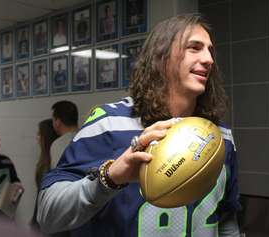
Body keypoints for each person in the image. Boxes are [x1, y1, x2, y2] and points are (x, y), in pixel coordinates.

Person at [37, 14, 240, 236]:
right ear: (162, 56)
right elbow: (48, 215)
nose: (209, 59)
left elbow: (226, 218)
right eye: (194, 47)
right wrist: (110, 177)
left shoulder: (220, 137)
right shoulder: (109, 124)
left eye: (210, 50)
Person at [31, 119, 58, 232]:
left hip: (51, 219)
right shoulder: (43, 160)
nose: (37, 138)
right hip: (42, 216)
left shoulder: (52, 161)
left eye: (39, 134)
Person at [50, 101, 78, 168]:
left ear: (58, 122)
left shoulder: (57, 145)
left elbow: (58, 172)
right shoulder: (88, 138)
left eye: (53, 120)